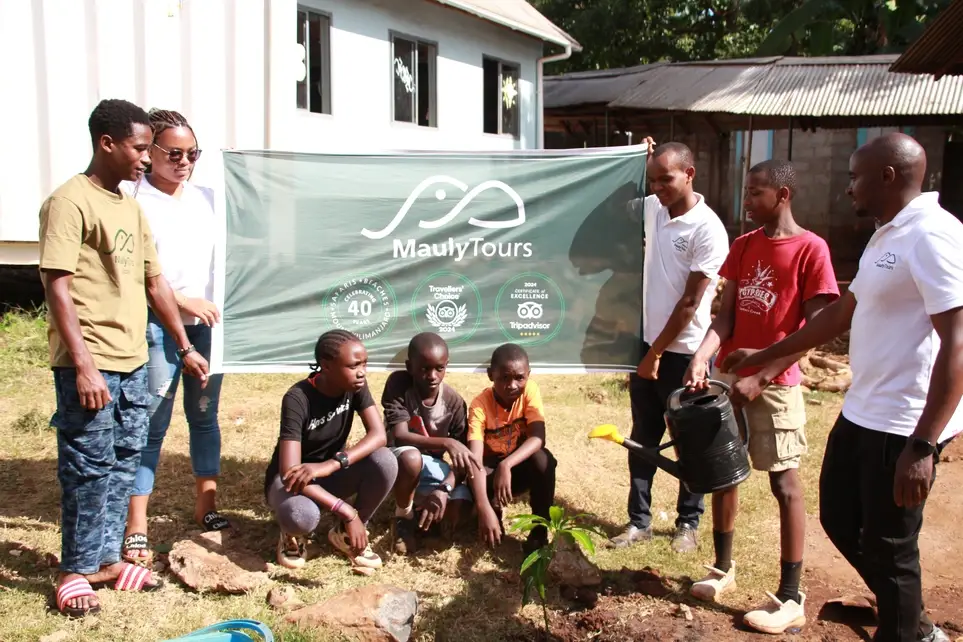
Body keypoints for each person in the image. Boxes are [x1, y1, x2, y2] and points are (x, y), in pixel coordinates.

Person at [729, 133, 960, 642]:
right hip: (862, 410)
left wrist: (923, 444)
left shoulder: (933, 235)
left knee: (891, 547)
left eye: (854, 177)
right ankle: (909, 615)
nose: (846, 188)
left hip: (903, 422)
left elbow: (958, 343)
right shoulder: (887, 234)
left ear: (887, 177)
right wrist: (764, 356)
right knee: (837, 515)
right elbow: (840, 313)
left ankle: (907, 628)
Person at [40, 99, 209, 617]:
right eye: (139, 148)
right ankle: (76, 569)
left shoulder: (129, 206)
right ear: (106, 143)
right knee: (87, 466)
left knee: (122, 461)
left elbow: (155, 282)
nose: (144, 158)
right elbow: (57, 284)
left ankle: (110, 560)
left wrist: (183, 346)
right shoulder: (70, 202)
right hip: (88, 363)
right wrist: (83, 363)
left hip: (134, 358)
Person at [683, 160, 839, 634]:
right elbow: (725, 317)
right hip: (731, 378)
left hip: (777, 384)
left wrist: (764, 376)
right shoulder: (744, 246)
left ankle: (791, 596)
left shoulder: (812, 250)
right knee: (723, 471)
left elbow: (816, 329)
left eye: (756, 194)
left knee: (785, 484)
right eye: (747, 192)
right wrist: (702, 356)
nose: (747, 201)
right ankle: (722, 568)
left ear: (783, 195)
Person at [608, 141, 729, 552]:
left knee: (690, 443)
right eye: (653, 180)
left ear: (690, 174)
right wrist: (634, 157)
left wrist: (656, 353)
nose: (657, 187)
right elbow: (615, 197)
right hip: (647, 348)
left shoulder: (708, 229)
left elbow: (691, 303)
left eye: (667, 179)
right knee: (642, 438)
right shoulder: (654, 210)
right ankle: (638, 522)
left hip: (684, 354)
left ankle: (687, 525)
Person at [121, 108, 227, 567]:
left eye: (193, 153)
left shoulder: (209, 198)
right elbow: (139, 274)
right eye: (174, 153)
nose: (185, 162)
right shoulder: (133, 202)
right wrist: (183, 303)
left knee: (204, 415)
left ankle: (207, 506)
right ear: (151, 152)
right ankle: (136, 524)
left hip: (208, 327)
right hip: (158, 325)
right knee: (152, 422)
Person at [264, 330, 398, 574]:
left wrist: (334, 463)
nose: (361, 372)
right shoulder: (298, 398)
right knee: (301, 515)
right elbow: (289, 472)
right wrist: (347, 510)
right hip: (291, 484)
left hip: (327, 474)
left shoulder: (356, 386)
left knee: (385, 461)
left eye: (364, 364)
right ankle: (293, 535)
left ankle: (345, 535)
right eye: (353, 365)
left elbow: (379, 435)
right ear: (326, 366)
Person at [382, 332, 479, 555]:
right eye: (424, 369)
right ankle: (403, 516)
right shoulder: (398, 384)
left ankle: (427, 516)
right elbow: (401, 435)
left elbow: (462, 460)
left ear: (446, 366)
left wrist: (444, 490)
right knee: (412, 457)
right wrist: (446, 442)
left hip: (433, 469)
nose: (432, 376)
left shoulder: (454, 402)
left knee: (464, 507)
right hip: (399, 460)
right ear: (409, 366)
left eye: (439, 368)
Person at [467, 343, 556, 554]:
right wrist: (483, 508)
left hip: (515, 467)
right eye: (504, 378)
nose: (512, 385)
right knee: (480, 508)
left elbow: (538, 437)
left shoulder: (530, 391)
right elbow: (475, 462)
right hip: (489, 473)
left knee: (543, 460)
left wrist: (506, 465)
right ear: (490, 375)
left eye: (519, 378)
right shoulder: (479, 405)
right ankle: (493, 508)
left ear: (528, 375)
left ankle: (539, 531)